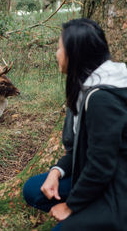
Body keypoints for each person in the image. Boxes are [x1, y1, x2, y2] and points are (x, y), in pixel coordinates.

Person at [23, 18, 127, 231]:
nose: (56, 53)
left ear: (75, 53)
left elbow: (101, 164)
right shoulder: (86, 88)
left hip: (117, 191)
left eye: (60, 48)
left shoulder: (101, 98)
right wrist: (56, 172)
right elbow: (82, 148)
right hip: (99, 178)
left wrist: (71, 206)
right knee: (34, 190)